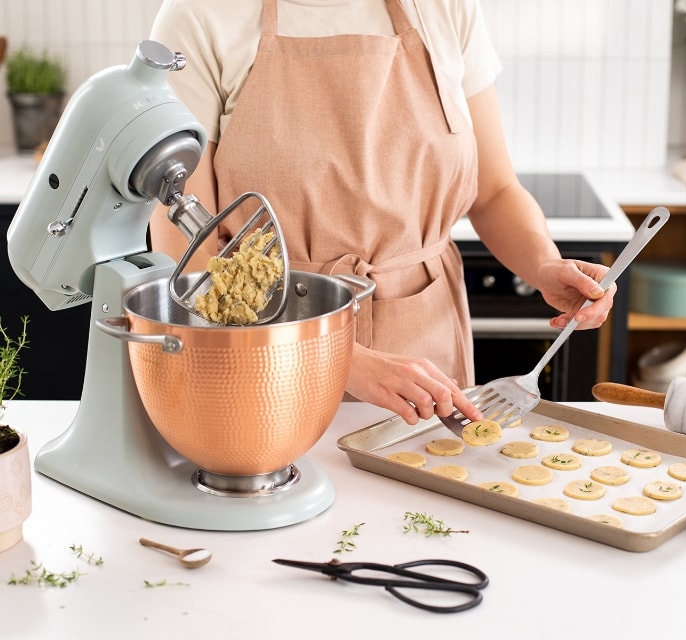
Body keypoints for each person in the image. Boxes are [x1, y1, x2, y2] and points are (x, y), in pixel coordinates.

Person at [148, 0, 616, 426]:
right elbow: (191, 266)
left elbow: (493, 192)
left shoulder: (445, 7)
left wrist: (543, 264)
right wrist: (340, 359)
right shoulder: (198, 17)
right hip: (267, 357)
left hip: (429, 361)